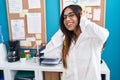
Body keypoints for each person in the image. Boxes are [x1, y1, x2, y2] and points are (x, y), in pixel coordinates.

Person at [44, 5, 109, 80]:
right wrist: (62, 29)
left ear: (80, 16)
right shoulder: (68, 40)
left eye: (71, 15)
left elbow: (104, 34)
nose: (67, 19)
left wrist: (84, 20)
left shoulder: (92, 38)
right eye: (64, 18)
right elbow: (48, 53)